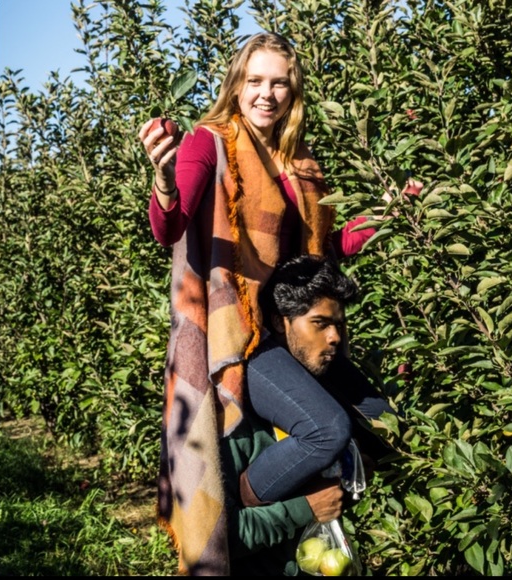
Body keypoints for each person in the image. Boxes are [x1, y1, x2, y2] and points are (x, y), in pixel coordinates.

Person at [138, 32, 385, 575]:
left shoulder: (302, 163)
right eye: (254, 81)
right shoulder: (211, 143)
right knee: (327, 429)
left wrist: (389, 213)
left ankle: (335, 520)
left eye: (278, 83)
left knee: (384, 422)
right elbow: (170, 227)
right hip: (244, 332)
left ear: (293, 91)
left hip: (293, 324)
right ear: (236, 85)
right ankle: (243, 506)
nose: (266, 94)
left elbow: (326, 249)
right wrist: (163, 179)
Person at [221, 254, 394, 576]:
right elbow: (219, 540)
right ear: (279, 322)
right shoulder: (233, 423)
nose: (335, 337)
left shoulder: (323, 398)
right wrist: (304, 508)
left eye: (339, 324)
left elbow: (327, 497)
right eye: (320, 323)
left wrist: (347, 480)